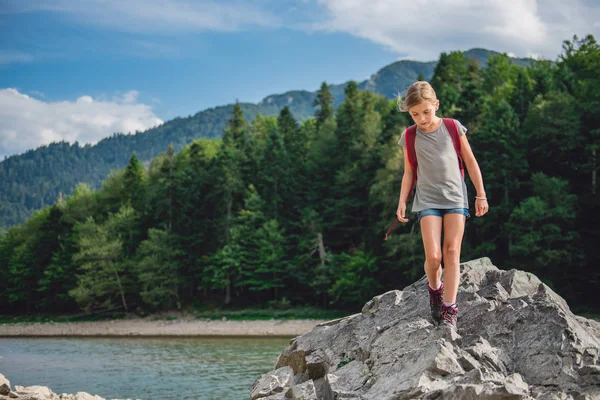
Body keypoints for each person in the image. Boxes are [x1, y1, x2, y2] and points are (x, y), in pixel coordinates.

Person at [396, 81, 488, 329]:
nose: (422, 118)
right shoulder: (409, 136)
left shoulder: (452, 127)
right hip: (427, 200)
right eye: (415, 114)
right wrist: (402, 201)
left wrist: (481, 194)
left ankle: (449, 309)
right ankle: (434, 289)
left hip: (456, 197)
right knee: (434, 257)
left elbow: (470, 161)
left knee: (451, 252)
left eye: (426, 111)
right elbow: (408, 172)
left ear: (436, 105)